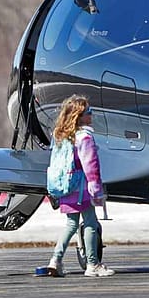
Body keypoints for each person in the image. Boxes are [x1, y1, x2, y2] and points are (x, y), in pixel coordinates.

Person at [45, 95, 114, 278]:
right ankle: (93, 264)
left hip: (66, 186)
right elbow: (90, 164)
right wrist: (96, 188)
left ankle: (55, 260)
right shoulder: (84, 137)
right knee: (90, 223)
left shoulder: (61, 136)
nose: (91, 115)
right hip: (82, 188)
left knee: (71, 223)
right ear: (79, 116)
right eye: (88, 112)